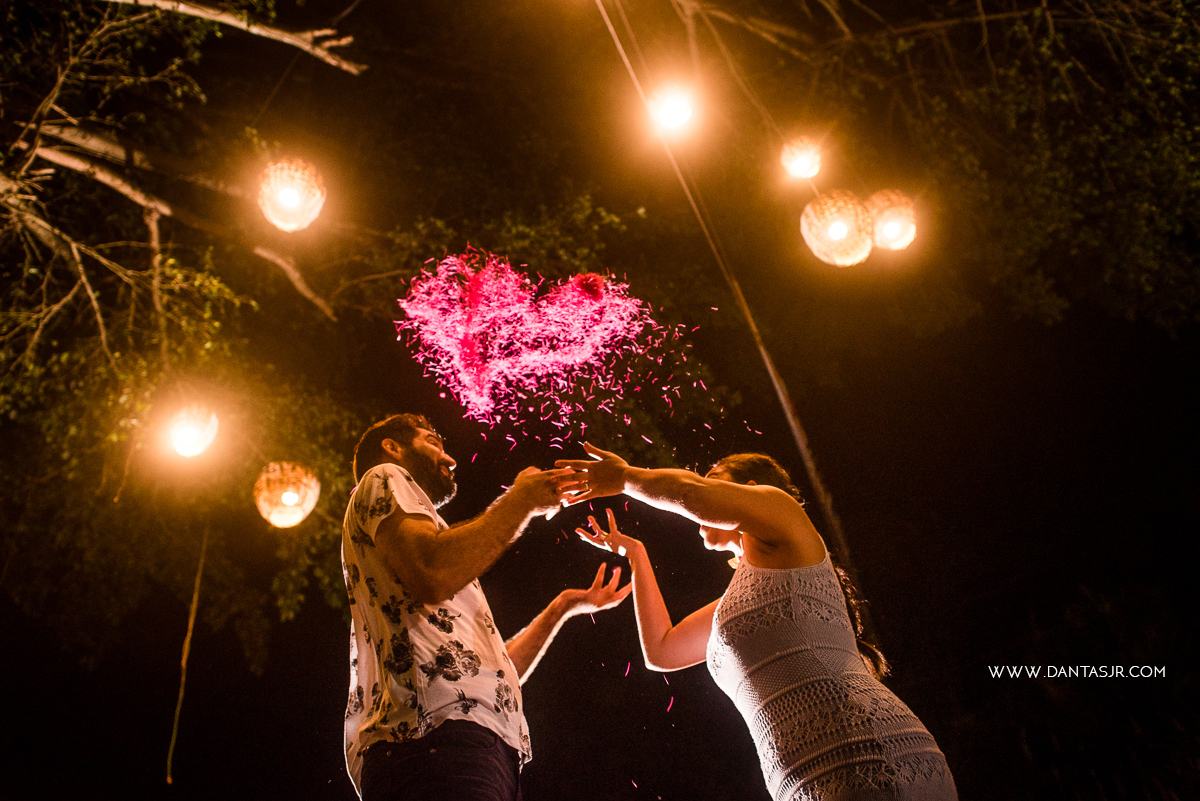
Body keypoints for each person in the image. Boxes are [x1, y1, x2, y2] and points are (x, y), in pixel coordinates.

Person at [558, 443, 958, 801]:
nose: (703, 490)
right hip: (803, 781)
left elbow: (690, 494)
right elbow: (662, 650)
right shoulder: (738, 605)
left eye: (713, 478)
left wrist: (625, 477)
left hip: (863, 753)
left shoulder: (782, 512)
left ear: (749, 489)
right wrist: (636, 555)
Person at [342, 415, 632, 801]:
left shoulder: (420, 551)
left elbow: (487, 676)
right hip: (437, 745)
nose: (450, 459)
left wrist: (563, 606)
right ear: (392, 448)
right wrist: (522, 500)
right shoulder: (383, 475)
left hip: (465, 747)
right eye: (432, 441)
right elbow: (432, 572)